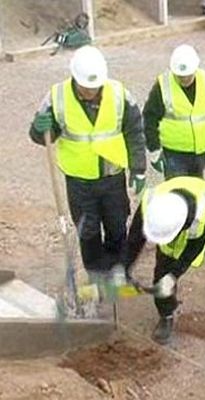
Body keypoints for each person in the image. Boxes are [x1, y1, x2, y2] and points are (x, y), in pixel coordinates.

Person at [29, 45, 146, 275]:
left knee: (117, 226)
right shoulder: (56, 96)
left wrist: (138, 168)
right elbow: (41, 135)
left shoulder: (119, 93)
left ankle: (117, 273)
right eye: (85, 87)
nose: (90, 91)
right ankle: (96, 276)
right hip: (79, 181)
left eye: (95, 87)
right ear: (74, 77)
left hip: (112, 177)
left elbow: (135, 131)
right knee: (88, 231)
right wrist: (39, 128)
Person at [120, 176, 205, 345]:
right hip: (176, 202)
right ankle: (166, 315)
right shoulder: (150, 204)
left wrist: (172, 277)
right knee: (162, 272)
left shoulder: (202, 216)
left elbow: (191, 252)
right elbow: (134, 240)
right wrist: (124, 268)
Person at [143, 44, 205, 179]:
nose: (184, 79)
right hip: (174, 154)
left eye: (187, 75)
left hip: (201, 151)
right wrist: (154, 150)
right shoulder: (163, 85)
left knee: (195, 193)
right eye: (180, 76)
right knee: (178, 194)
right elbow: (149, 118)